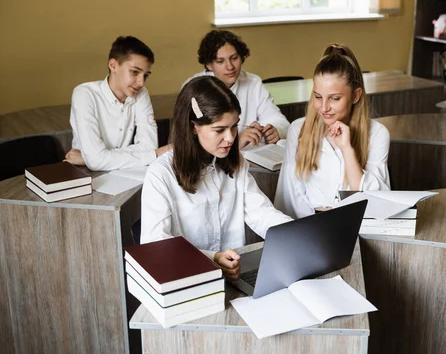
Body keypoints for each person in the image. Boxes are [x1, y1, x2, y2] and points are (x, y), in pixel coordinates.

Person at [141, 76, 292, 280]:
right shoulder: (161, 174)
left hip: (234, 277)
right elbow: (156, 246)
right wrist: (212, 258)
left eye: (233, 126)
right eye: (219, 130)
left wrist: (297, 235)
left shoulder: (235, 162)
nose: (230, 138)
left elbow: (262, 213)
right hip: (188, 282)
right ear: (194, 127)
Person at [274, 44, 390, 219]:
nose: (324, 107)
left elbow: (377, 201)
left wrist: (347, 150)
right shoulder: (298, 129)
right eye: (318, 96)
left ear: (356, 96)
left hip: (357, 225)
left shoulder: (377, 133)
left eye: (335, 98)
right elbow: (290, 197)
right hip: (310, 228)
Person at [66, 36, 170, 171]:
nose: (141, 82)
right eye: (135, 72)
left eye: (146, 75)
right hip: (85, 177)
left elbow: (149, 146)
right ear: (113, 65)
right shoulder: (84, 94)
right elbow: (96, 161)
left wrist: (88, 159)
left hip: (125, 173)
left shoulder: (141, 93)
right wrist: (155, 155)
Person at [182, 29, 290, 148]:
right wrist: (236, 144)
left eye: (234, 58)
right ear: (208, 64)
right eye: (220, 61)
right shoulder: (194, 88)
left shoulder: (253, 82)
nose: (230, 67)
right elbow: (189, 141)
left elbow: (279, 121)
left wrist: (275, 130)